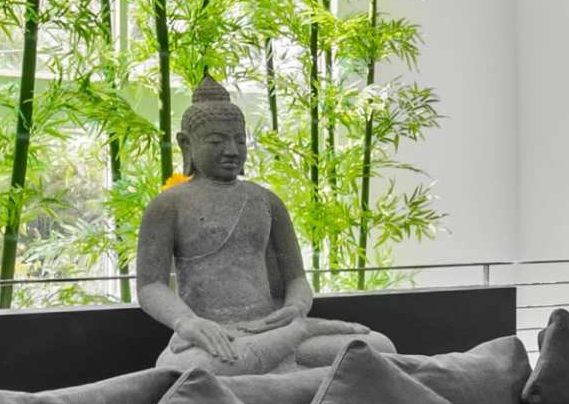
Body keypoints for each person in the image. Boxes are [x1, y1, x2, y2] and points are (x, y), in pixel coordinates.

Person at [132, 80, 383, 372]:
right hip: (215, 337)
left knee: (377, 347)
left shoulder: (265, 200)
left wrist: (295, 308)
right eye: (216, 141)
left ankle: (295, 341)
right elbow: (150, 286)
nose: (231, 150)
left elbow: (296, 280)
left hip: (271, 329)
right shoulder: (168, 205)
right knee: (201, 368)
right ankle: (298, 343)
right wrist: (186, 322)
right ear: (186, 143)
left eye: (239, 140)